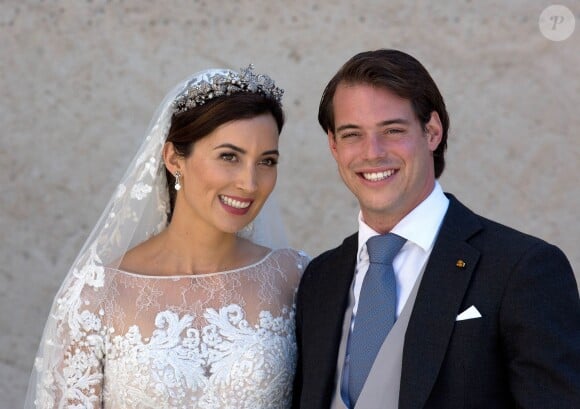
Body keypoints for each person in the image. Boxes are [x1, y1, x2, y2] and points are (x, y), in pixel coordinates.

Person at [292, 49, 580, 409]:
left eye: (392, 130)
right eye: (352, 135)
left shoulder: (522, 269)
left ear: (431, 131)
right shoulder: (320, 278)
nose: (372, 153)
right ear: (334, 145)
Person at [25, 65, 308, 408]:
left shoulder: (295, 279)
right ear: (175, 158)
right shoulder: (96, 296)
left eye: (266, 161)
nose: (249, 183)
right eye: (229, 156)